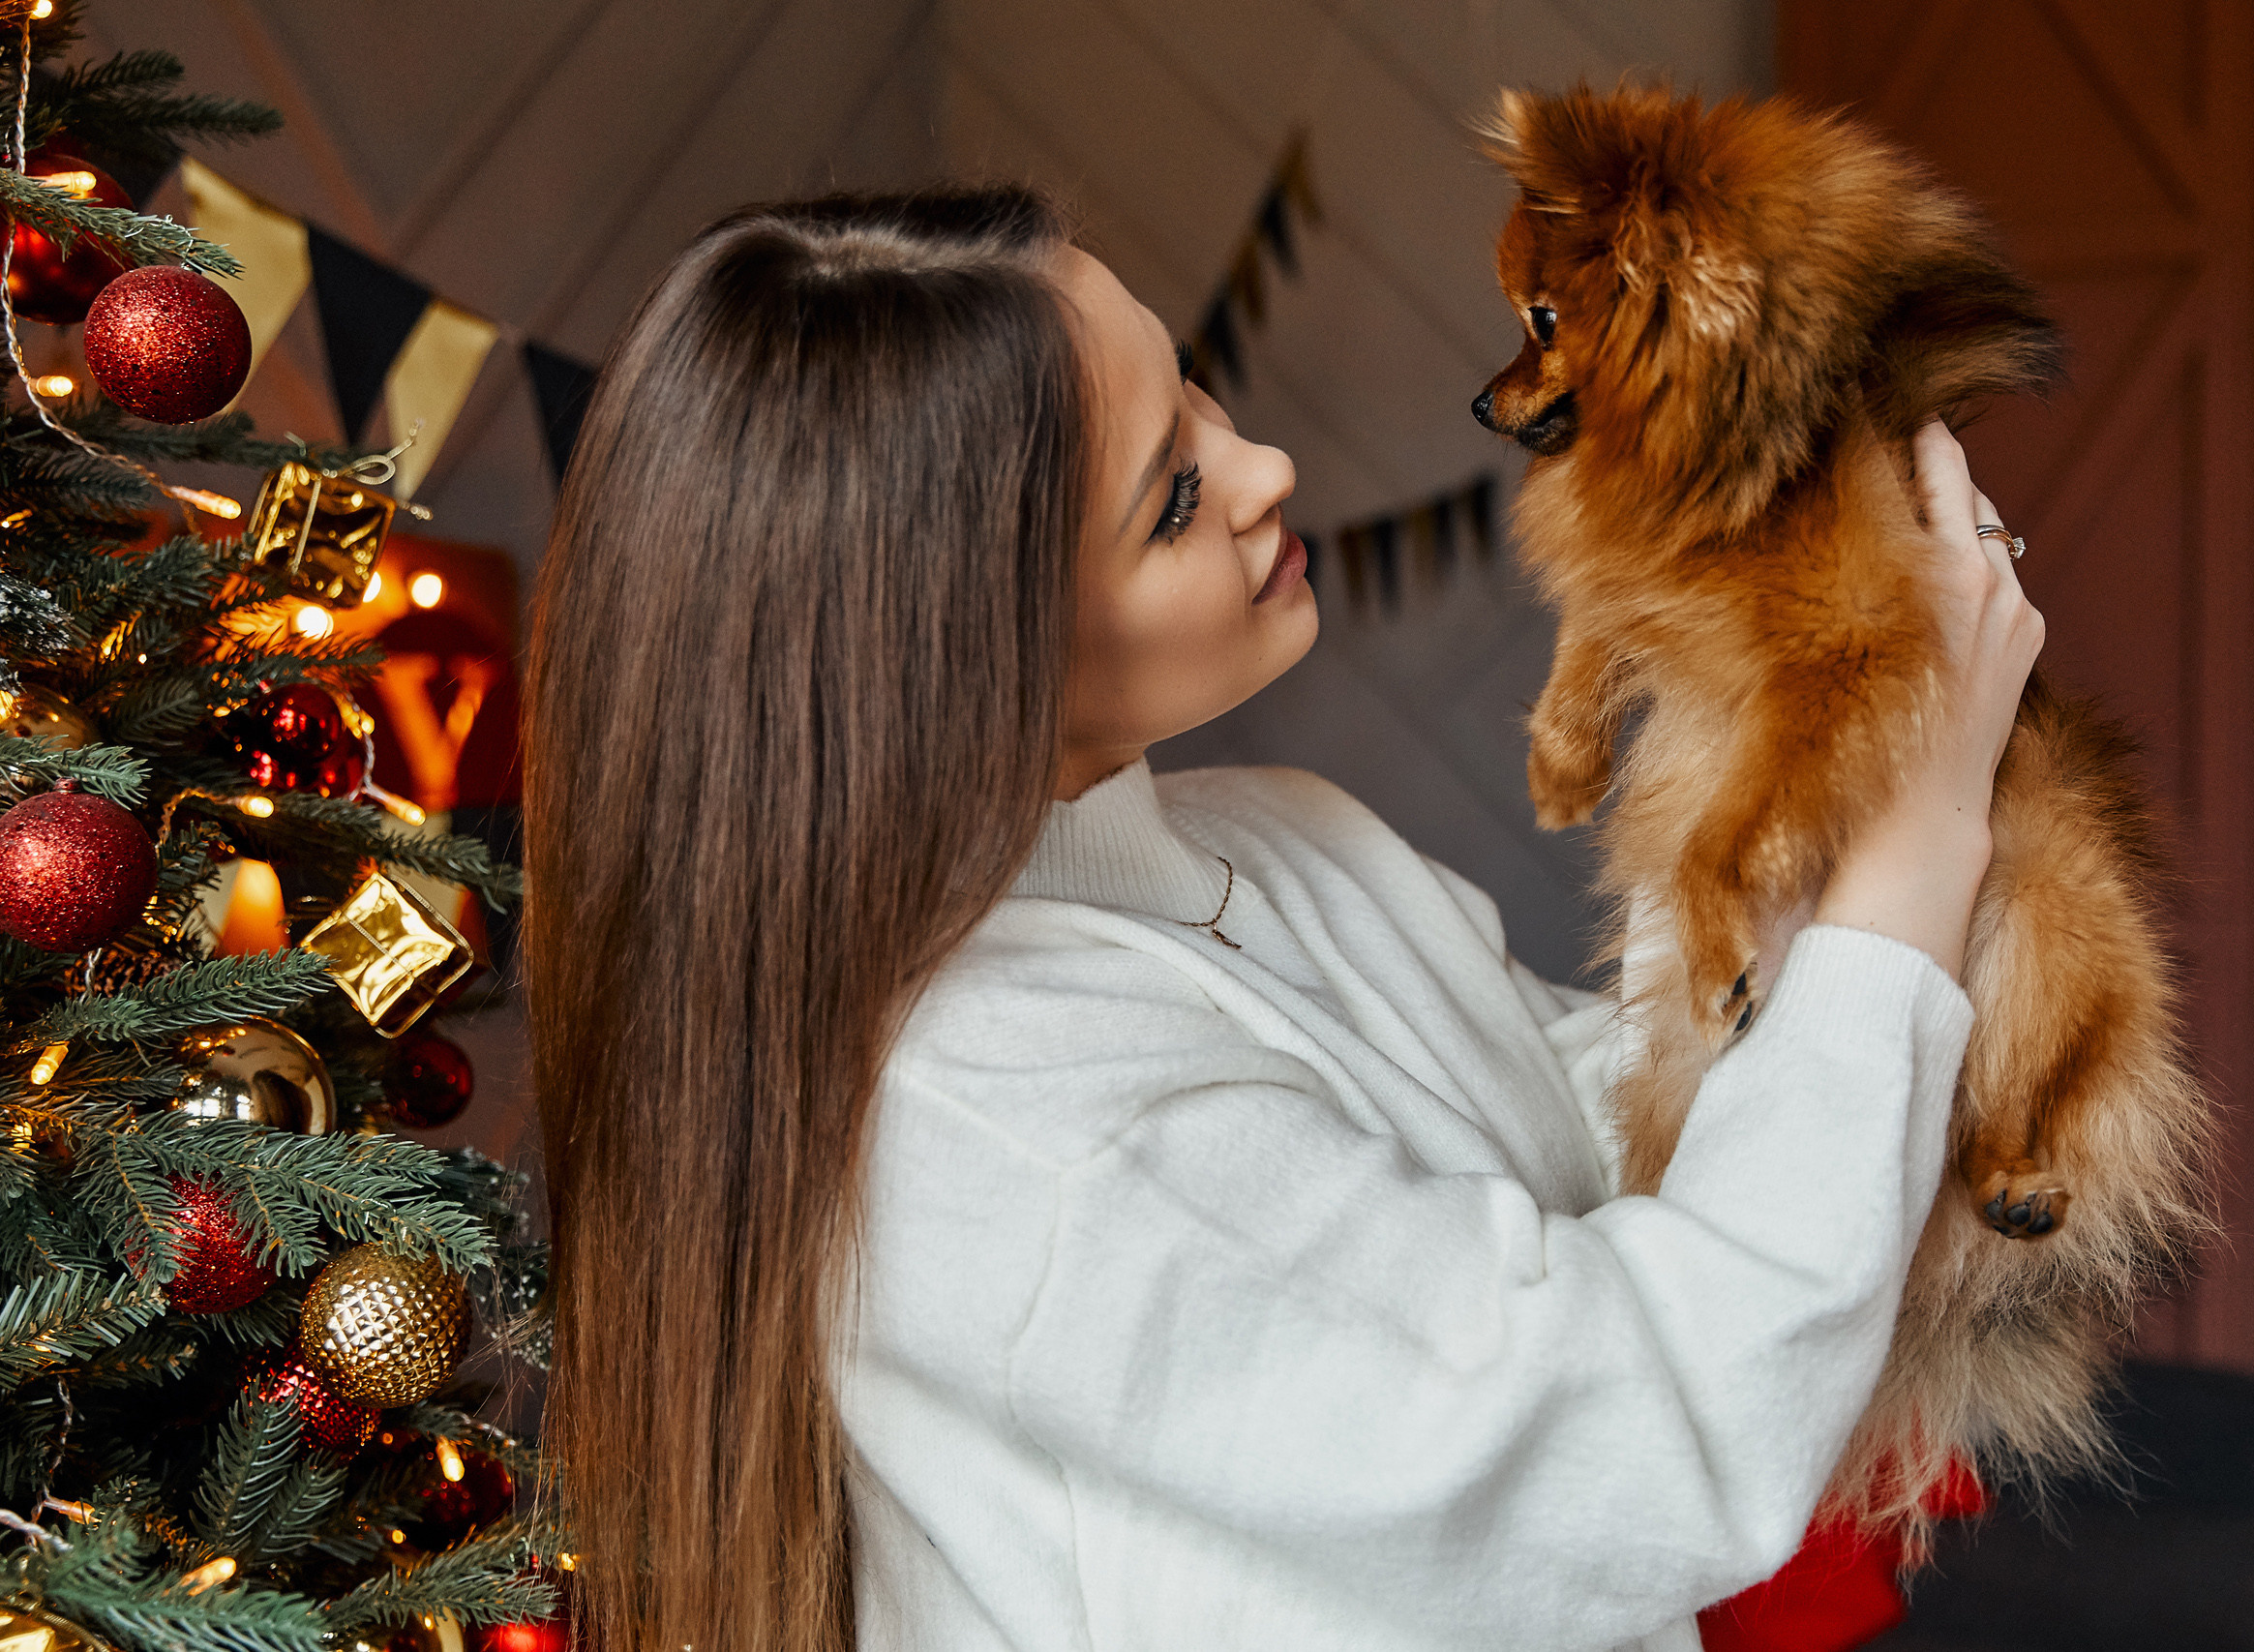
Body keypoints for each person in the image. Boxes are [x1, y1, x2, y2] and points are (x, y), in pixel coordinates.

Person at [526, 187, 2042, 1652]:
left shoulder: (1284, 836)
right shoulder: (1003, 1118)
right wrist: (1917, 849)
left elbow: (1611, 1139)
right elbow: (1647, 1439)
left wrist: (1779, 715)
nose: (1260, 469)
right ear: (956, 658)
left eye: (1192, 393)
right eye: (1172, 500)